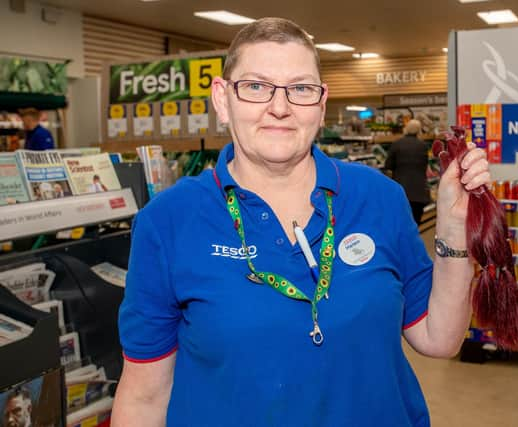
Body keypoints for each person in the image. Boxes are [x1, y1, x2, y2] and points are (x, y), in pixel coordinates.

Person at [112, 17, 490, 427]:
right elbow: (144, 397)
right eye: (256, 87)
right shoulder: (169, 221)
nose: (280, 107)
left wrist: (455, 232)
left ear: (322, 103)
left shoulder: (379, 197)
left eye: (301, 89)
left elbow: (440, 339)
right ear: (222, 99)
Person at [384, 119, 431, 225]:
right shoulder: (423, 146)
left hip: (401, 190)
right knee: (415, 222)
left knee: (401, 222)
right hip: (419, 191)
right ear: (419, 130)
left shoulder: (397, 144)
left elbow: (388, 165)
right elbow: (425, 166)